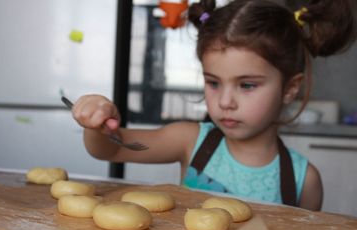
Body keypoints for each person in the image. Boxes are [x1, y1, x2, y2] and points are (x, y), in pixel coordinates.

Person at [71, 0, 356, 211]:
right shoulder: (190, 141)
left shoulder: (303, 181)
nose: (225, 102)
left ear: (290, 88)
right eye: (213, 82)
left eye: (247, 85)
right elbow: (109, 149)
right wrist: (97, 123)